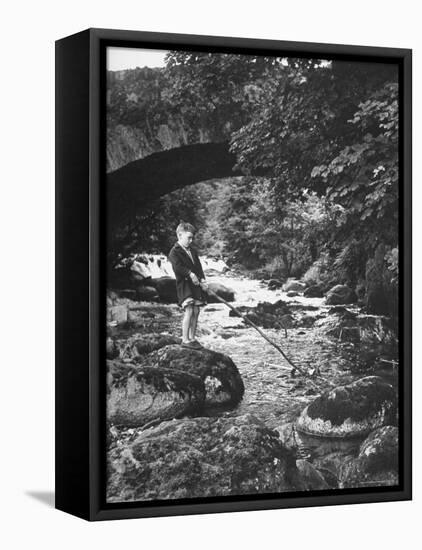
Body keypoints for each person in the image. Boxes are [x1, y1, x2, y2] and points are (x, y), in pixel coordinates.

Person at [168, 222, 208, 349]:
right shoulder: (174, 252)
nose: (190, 241)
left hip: (195, 285)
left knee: (196, 310)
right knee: (189, 310)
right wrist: (190, 274)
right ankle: (185, 340)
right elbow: (178, 267)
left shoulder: (193, 251)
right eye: (188, 238)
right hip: (184, 285)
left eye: (192, 238)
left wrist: (203, 280)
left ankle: (192, 338)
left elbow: (199, 267)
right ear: (180, 235)